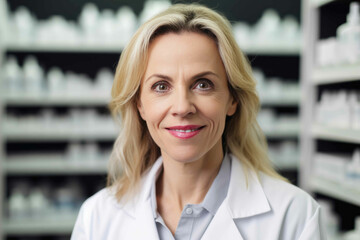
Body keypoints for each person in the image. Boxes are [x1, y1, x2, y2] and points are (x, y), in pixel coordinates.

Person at [71, 3, 325, 240]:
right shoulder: (98, 218)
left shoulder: (294, 216)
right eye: (161, 86)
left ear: (232, 100)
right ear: (140, 105)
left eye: (203, 84)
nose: (182, 107)